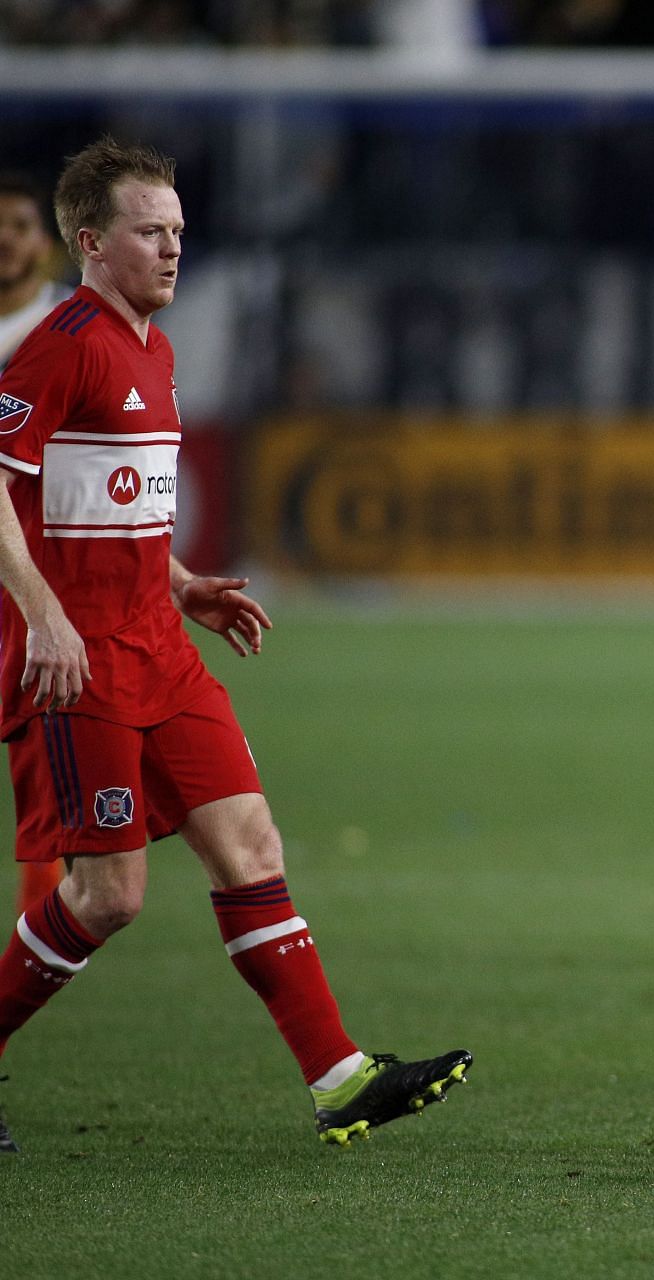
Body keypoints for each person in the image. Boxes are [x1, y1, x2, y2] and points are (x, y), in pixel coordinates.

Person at [0, 138, 470, 1156]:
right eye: (149, 232)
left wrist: (183, 584)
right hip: (76, 661)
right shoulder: (63, 341)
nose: (173, 248)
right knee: (107, 895)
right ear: (90, 241)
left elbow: (109, 502)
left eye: (178, 230)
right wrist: (42, 612)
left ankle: (339, 1077)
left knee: (250, 845)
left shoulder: (153, 348)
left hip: (160, 648)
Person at [0, 174, 66, 919]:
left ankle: (31, 943)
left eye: (20, 225)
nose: (6, 240)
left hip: (28, 579)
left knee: (41, 784)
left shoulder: (61, 338)